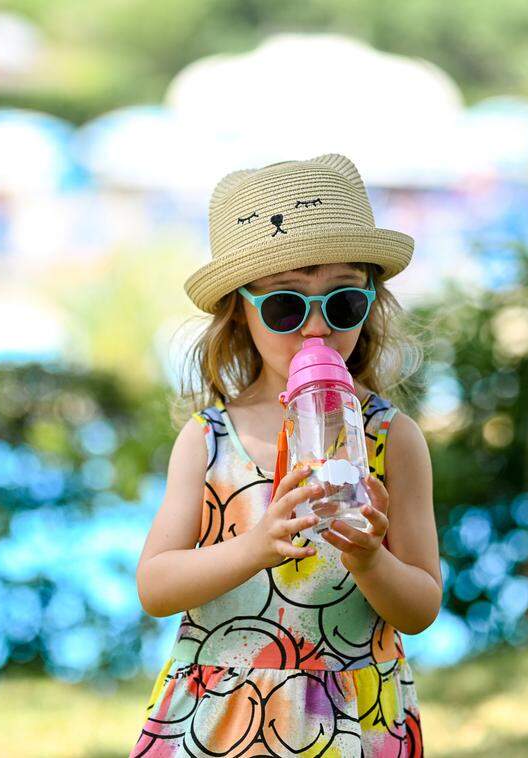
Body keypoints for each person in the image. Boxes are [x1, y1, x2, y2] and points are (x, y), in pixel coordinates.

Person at [131, 153, 440, 757]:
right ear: (240, 314)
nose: (316, 330)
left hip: (355, 716)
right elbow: (155, 585)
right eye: (285, 306)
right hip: (223, 720)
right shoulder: (207, 439)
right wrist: (253, 546)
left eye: (343, 302)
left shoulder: (393, 439)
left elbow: (422, 606)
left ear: (371, 303)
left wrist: (372, 560)